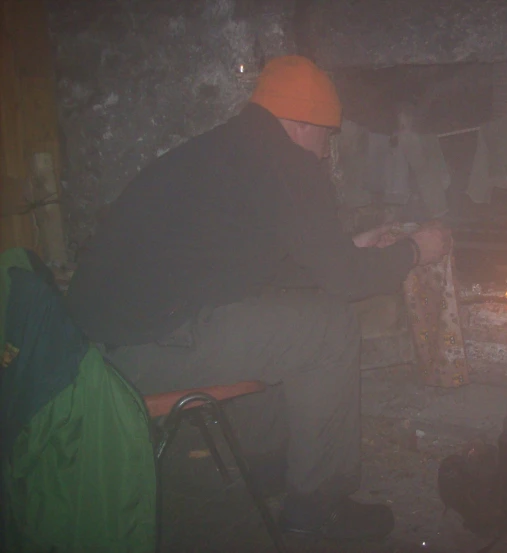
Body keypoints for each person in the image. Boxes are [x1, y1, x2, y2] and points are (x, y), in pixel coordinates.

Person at [64, 55, 452, 541]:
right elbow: (345, 284)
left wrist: (352, 245)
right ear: (300, 124)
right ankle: (318, 509)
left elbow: (262, 258)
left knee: (279, 317)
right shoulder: (288, 163)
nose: (327, 151)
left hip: (93, 346)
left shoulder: (227, 150)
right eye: (327, 135)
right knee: (328, 329)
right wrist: (416, 250)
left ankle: (267, 470)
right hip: (134, 357)